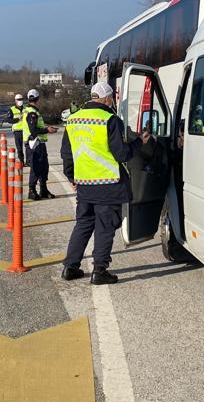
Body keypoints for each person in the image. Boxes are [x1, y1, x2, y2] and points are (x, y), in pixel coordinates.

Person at [60, 82, 152, 285]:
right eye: (112, 98)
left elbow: (66, 153)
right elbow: (122, 154)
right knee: (105, 227)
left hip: (84, 184)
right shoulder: (110, 120)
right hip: (108, 184)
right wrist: (139, 142)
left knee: (83, 224)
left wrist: (71, 177)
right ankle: (99, 271)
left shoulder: (73, 120)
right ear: (108, 98)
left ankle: (70, 267)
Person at [23, 88, 58, 199]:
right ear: (38, 99)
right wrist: (47, 130)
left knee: (44, 167)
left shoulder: (31, 111)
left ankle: (43, 189)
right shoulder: (32, 113)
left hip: (39, 144)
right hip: (34, 144)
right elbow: (33, 130)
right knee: (36, 168)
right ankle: (32, 191)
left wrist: (46, 128)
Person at [6, 93, 26, 165]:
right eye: (18, 100)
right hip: (17, 131)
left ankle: (29, 161)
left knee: (28, 147)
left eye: (21, 99)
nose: (20, 101)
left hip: (26, 131)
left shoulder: (26, 109)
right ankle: (21, 161)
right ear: (15, 100)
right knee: (19, 148)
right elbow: (8, 120)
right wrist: (17, 119)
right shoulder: (12, 109)